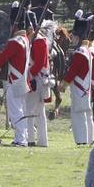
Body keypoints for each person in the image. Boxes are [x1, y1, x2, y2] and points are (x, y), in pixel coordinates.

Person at [0, 4, 33, 146]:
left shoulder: (15, 42)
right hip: (22, 80)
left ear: (14, 25)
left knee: (15, 111)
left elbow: (1, 60)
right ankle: (22, 137)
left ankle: (20, 139)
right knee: (20, 110)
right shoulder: (25, 40)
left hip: (15, 80)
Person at [61, 10, 94, 146]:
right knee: (86, 114)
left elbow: (72, 72)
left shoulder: (79, 52)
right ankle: (87, 139)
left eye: (74, 36)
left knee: (78, 115)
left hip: (79, 87)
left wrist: (63, 84)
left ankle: (82, 141)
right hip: (85, 87)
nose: (73, 39)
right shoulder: (88, 51)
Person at [26, 17, 54, 147]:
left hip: (37, 79)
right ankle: (40, 140)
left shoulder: (39, 41)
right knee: (37, 111)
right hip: (36, 77)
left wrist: (29, 76)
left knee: (31, 110)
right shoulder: (35, 40)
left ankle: (32, 139)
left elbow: (39, 63)